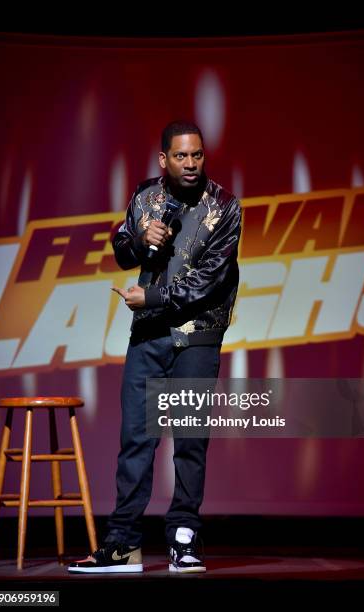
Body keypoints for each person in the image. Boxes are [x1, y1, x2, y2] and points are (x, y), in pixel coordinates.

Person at [68, 120, 241, 574]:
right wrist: (140, 239)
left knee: (188, 441)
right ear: (164, 158)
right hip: (149, 335)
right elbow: (122, 247)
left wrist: (155, 297)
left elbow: (211, 280)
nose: (191, 164)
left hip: (197, 335)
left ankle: (184, 539)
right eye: (181, 156)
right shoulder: (145, 197)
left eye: (197, 155)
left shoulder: (224, 206)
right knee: (136, 441)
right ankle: (123, 543)